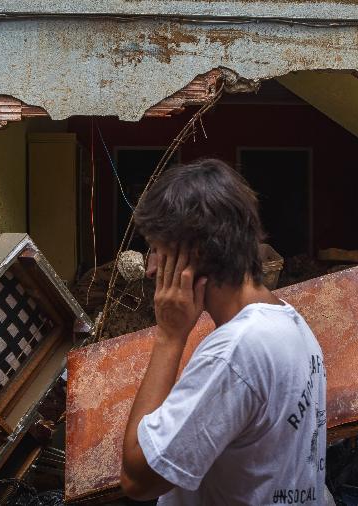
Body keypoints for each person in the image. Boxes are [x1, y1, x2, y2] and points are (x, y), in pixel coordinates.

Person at [120, 158, 327, 505]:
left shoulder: (236, 352)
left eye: (156, 248)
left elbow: (138, 479)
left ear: (194, 251)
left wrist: (170, 335)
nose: (151, 268)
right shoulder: (290, 322)